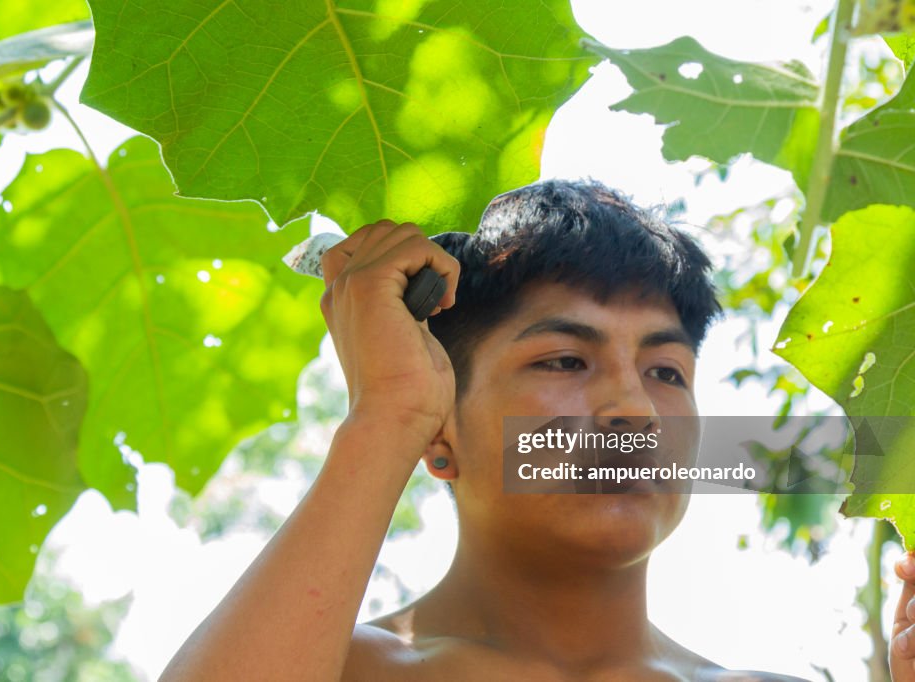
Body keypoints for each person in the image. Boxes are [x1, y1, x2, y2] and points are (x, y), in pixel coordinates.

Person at [158, 179, 893, 681]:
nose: (633, 409)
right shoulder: (327, 667)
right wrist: (387, 413)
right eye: (566, 359)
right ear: (438, 435)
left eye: (667, 372)